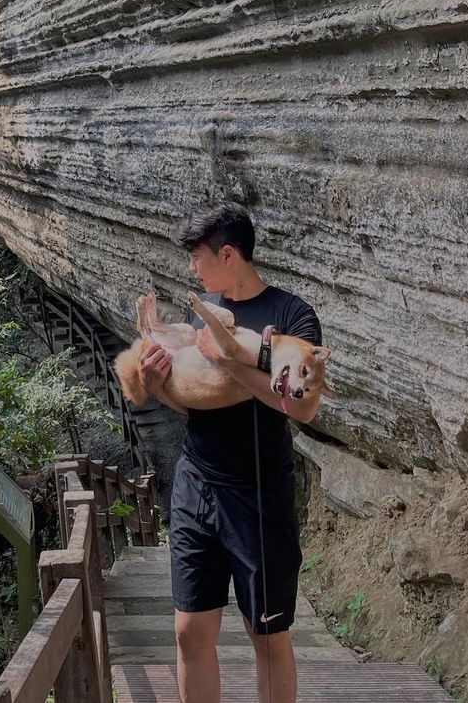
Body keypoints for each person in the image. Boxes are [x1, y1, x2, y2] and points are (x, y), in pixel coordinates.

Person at [133, 201, 323, 703]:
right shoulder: (205, 315)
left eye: (197, 257)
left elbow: (301, 408)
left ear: (229, 254)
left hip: (259, 493)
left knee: (267, 635)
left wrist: (231, 361)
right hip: (197, 483)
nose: (191, 268)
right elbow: (195, 402)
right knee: (189, 630)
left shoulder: (290, 316)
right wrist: (158, 387)